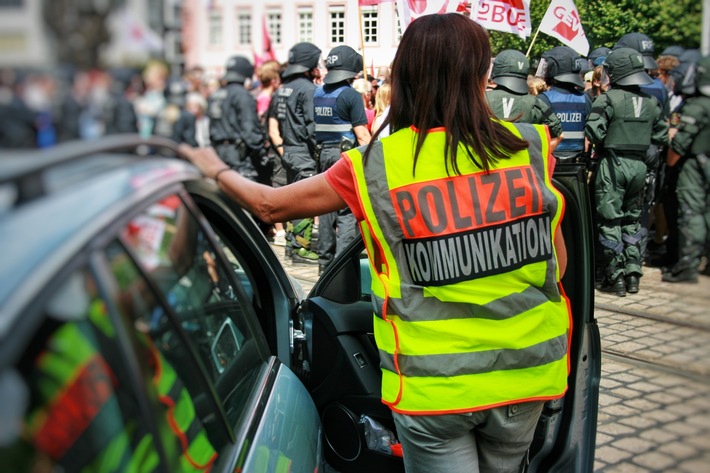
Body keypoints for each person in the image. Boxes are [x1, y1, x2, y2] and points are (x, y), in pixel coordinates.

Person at [180, 13, 570, 473]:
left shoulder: (374, 166)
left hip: (435, 388)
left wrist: (214, 168)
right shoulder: (528, 148)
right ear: (481, 75)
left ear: (405, 76)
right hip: (526, 378)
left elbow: (269, 207)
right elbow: (557, 265)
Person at [585, 47, 669, 296]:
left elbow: (594, 132)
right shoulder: (651, 102)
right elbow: (661, 135)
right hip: (640, 165)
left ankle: (616, 277)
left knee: (610, 221)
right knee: (632, 220)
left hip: (612, 164)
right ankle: (633, 275)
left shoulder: (607, 99)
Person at [314, 45, 371, 274]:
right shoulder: (350, 95)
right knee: (347, 208)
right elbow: (362, 135)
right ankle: (341, 267)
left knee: (325, 208)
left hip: (323, 154)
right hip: (345, 156)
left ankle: (324, 262)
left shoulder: (317, 93)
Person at [269, 42, 323, 260]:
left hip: (288, 151)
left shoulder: (283, 89)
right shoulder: (308, 90)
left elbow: (274, 121)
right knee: (305, 201)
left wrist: (282, 147)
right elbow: (313, 126)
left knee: (293, 198)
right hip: (304, 153)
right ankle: (301, 248)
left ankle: (293, 245)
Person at [662, 55, 710, 282]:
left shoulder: (697, 106)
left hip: (694, 165)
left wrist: (671, 164)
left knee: (692, 214)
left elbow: (680, 144)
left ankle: (688, 266)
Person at [486, 49, 563, 151]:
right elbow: (558, 134)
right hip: (523, 165)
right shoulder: (535, 103)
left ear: (495, 71)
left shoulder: (480, 100)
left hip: (486, 163)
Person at [207, 55, 266, 182]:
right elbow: (250, 128)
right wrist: (261, 152)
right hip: (237, 154)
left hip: (217, 152)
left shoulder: (216, 94)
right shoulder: (242, 95)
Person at [537, 46, 592, 162]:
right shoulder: (585, 99)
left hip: (550, 165)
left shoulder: (544, 99)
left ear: (554, 69)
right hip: (576, 168)